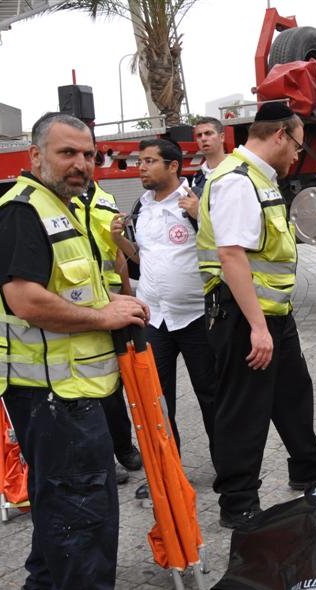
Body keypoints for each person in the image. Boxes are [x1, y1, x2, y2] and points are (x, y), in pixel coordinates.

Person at [0, 112, 148, 590]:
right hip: (51, 386)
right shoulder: (23, 212)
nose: (80, 164)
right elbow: (26, 300)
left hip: (54, 384)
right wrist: (106, 315)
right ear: (35, 156)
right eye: (67, 153)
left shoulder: (63, 207)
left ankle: (45, 576)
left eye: (88, 155)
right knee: (81, 491)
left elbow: (73, 285)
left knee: (56, 486)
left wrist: (114, 294)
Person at [197, 102, 316, 529]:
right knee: (244, 411)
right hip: (243, 317)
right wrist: (257, 327)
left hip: (272, 313)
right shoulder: (236, 181)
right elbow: (231, 255)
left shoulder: (259, 179)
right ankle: (238, 504)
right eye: (297, 146)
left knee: (293, 394)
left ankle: (309, 470)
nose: (297, 156)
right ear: (280, 135)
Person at [109, 138, 218, 464]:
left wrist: (203, 217)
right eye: (140, 161)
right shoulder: (142, 206)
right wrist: (119, 241)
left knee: (211, 396)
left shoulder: (195, 202)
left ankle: (228, 468)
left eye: (149, 161)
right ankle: (168, 471)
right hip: (153, 319)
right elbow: (144, 259)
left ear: (173, 166)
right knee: (157, 400)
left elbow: (224, 250)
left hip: (196, 316)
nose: (141, 167)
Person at [75, 180, 140, 483]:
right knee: (88, 388)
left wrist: (127, 294)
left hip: (112, 304)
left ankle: (123, 448)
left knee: (114, 386)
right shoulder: (59, 201)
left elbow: (117, 253)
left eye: (89, 153)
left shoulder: (105, 199)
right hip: (81, 309)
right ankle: (101, 458)